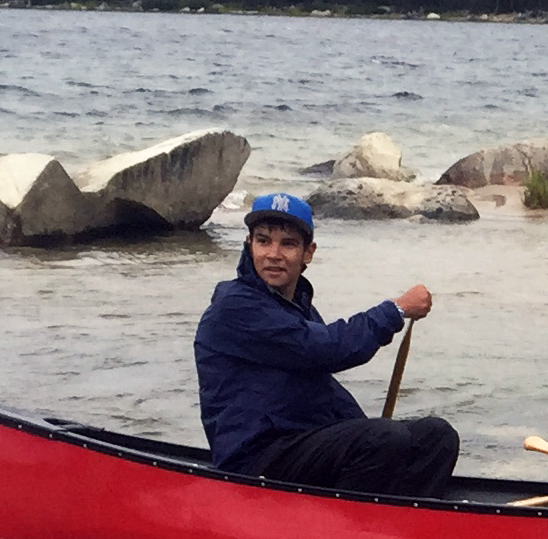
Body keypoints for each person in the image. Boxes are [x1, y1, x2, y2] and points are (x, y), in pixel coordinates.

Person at [194, 192, 459, 498]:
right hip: (253, 459)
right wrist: (395, 311)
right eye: (263, 241)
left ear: (308, 253)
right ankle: (350, 533)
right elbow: (325, 348)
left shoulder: (296, 306)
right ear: (249, 245)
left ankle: (409, 527)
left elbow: (324, 393)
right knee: (385, 437)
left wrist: (367, 430)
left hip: (297, 445)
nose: (273, 253)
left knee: (436, 436)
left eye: (288, 244)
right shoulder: (236, 306)